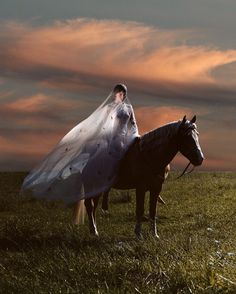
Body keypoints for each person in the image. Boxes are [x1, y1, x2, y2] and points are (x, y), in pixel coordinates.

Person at [20, 83, 140, 205]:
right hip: (112, 139)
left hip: (125, 138)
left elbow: (133, 123)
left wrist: (135, 135)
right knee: (110, 159)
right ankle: (106, 190)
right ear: (114, 93)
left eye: (123, 93)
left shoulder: (129, 108)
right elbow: (103, 125)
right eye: (119, 92)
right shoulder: (109, 108)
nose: (121, 94)